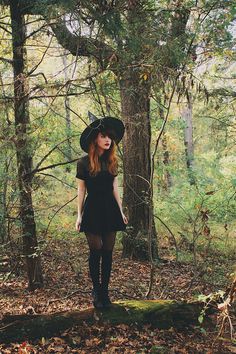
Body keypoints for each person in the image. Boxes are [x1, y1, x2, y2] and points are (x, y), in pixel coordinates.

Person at [75, 115, 128, 309]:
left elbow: (115, 188)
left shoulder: (112, 162)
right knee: (95, 249)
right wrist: (79, 215)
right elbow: (81, 190)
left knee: (108, 252)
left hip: (110, 209)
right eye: (104, 136)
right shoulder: (83, 163)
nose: (108, 140)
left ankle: (105, 292)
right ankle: (96, 291)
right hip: (93, 209)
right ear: (95, 139)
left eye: (110, 137)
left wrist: (121, 211)